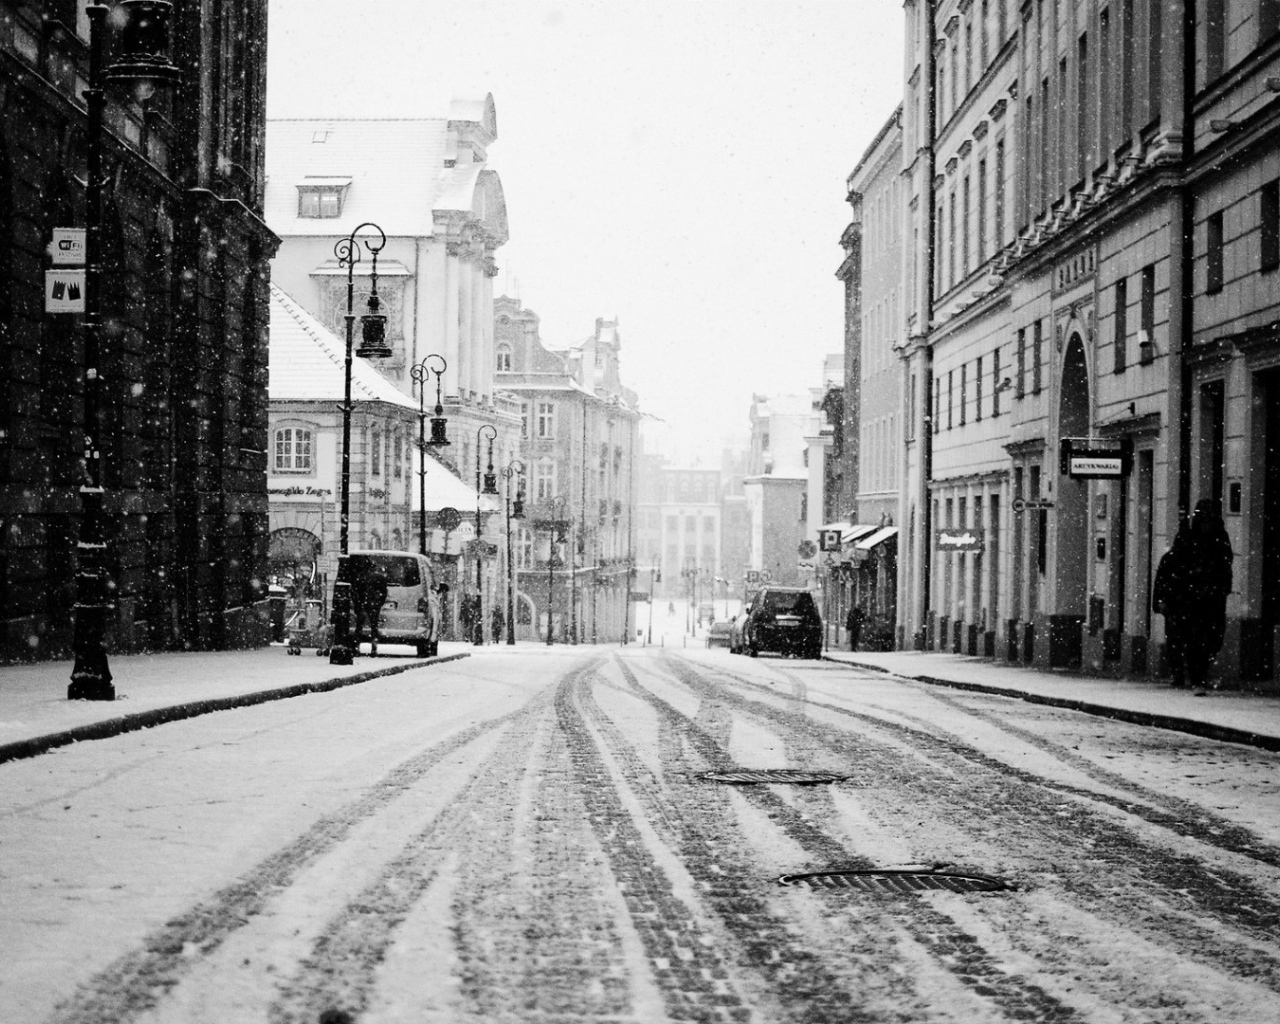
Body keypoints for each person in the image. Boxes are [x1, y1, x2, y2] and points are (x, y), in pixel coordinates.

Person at [1155, 501, 1234, 688]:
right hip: (1190, 600)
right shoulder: (1189, 539)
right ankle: (1193, 674)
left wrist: (1219, 588)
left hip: (1208, 599)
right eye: (1203, 520)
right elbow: (1173, 567)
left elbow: (1225, 565)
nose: (1206, 525)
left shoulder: (1219, 539)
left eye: (1208, 520)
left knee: (1209, 639)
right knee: (1191, 639)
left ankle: (1195, 673)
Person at [1152, 520, 1193, 686]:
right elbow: (1161, 582)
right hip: (1182, 606)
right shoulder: (1184, 560)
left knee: (1176, 642)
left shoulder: (1170, 559)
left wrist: (1160, 601)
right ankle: (1184, 673)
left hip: (1176, 607)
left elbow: (1160, 582)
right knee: (1183, 641)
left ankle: (1179, 673)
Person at [358, 568, 389, 655]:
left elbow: (359, 590)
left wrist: (360, 603)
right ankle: (373, 647)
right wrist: (379, 602)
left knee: (360, 625)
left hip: (364, 603)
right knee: (373, 626)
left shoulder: (363, 577)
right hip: (374, 604)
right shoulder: (380, 578)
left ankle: (356, 646)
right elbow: (384, 592)